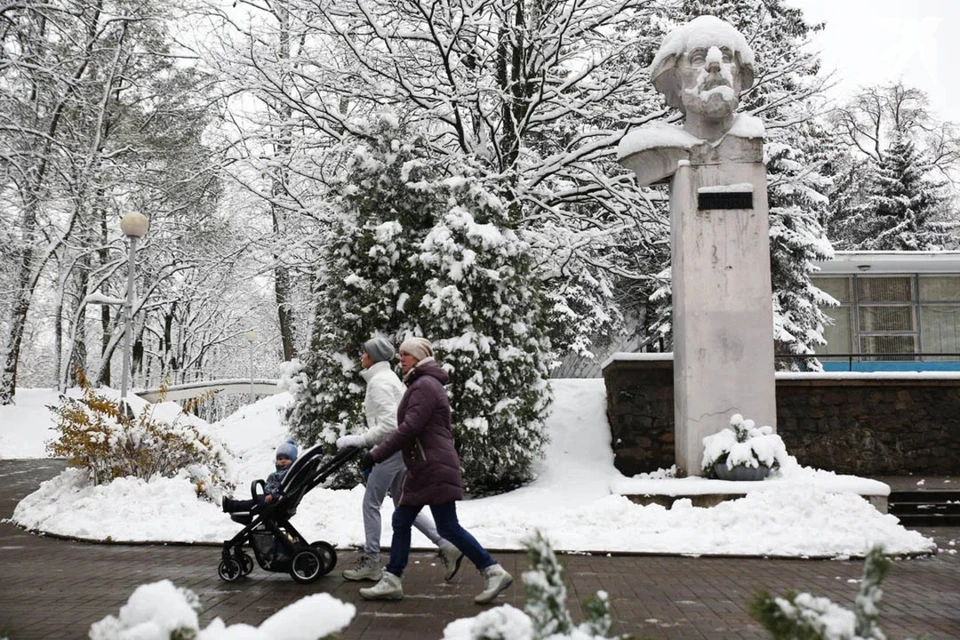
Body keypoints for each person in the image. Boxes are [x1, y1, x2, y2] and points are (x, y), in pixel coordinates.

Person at [358, 337, 513, 605]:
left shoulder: (424, 386)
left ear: (419, 357)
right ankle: (393, 580)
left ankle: (491, 570)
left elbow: (408, 429)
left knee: (443, 526)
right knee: (410, 521)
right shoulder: (422, 384)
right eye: (401, 354)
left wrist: (375, 454)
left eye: (407, 354)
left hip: (432, 465)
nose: (401, 358)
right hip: (427, 464)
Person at [335, 336, 464, 582]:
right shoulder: (388, 378)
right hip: (400, 450)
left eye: (364, 352)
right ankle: (445, 543)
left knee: (370, 503)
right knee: (403, 504)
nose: (361, 357)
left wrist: (361, 440)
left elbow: (389, 424)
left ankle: (372, 561)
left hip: (390, 450)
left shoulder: (380, 383)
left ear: (373, 357)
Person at [222, 439, 298, 512]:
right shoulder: (284, 472)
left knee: (254, 502)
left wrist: (272, 495)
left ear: (293, 460)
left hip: (274, 500)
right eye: (280, 459)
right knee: (255, 501)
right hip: (275, 499)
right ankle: (237, 509)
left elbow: (282, 486)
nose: (283, 461)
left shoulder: (285, 473)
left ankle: (231, 506)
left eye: (287, 458)